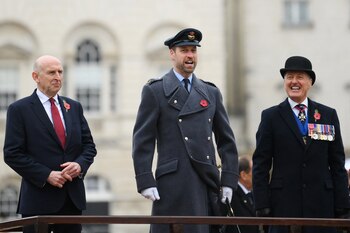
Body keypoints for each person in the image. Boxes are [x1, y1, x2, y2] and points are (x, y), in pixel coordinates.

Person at [132, 28, 239, 233]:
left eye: (193, 50)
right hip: (173, 183)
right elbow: (143, 139)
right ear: (172, 54)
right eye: (184, 50)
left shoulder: (211, 92)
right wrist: (145, 179)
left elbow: (227, 141)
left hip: (206, 180)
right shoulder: (155, 91)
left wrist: (228, 180)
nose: (190, 56)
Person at [252, 56, 350, 233]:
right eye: (289, 77)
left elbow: (337, 164)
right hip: (283, 205)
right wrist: (261, 204)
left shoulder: (328, 115)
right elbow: (261, 164)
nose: (294, 82)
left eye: (300, 77)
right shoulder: (271, 117)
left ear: (310, 82)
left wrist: (343, 204)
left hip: (321, 206)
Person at [3, 55, 97, 233]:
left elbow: (89, 147)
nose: (58, 77)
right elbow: (12, 154)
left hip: (71, 201)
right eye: (51, 72)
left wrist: (79, 165)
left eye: (60, 72)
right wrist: (46, 175)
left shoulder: (74, 107)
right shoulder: (19, 110)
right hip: (38, 201)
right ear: (36, 77)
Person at [227, 156, 260, 233]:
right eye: (254, 170)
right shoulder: (232, 196)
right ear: (243, 175)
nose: (257, 174)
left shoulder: (251, 193)